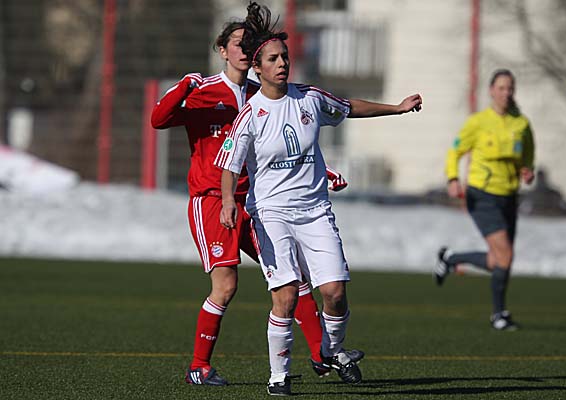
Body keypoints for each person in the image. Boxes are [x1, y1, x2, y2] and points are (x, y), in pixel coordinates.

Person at [216, 2, 422, 395]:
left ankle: (330, 349)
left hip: (315, 212)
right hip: (272, 215)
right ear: (257, 67)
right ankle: (278, 376)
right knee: (287, 296)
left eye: (285, 57)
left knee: (335, 293)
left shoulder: (309, 98)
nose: (282, 63)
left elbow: (348, 107)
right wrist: (228, 201)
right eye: (273, 59)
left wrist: (395, 109)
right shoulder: (250, 114)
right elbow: (229, 163)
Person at [150, 20, 351, 386]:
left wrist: (324, 171)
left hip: (257, 202)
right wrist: (184, 85)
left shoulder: (264, 94)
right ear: (222, 50)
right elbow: (158, 119)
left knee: (293, 279)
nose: (244, 50)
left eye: (249, 45)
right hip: (214, 200)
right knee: (226, 286)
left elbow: (285, 148)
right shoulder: (203, 91)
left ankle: (322, 354)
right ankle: (199, 366)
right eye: (237, 44)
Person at [434, 69, 535, 331]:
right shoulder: (478, 122)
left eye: (510, 88)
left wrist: (527, 169)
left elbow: (528, 153)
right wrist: (453, 178)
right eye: (501, 88)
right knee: (505, 255)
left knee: (499, 259)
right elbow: (455, 151)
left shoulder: (521, 124)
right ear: (491, 91)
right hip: (482, 195)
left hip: (509, 196)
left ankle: (451, 258)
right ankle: (499, 315)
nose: (506, 93)